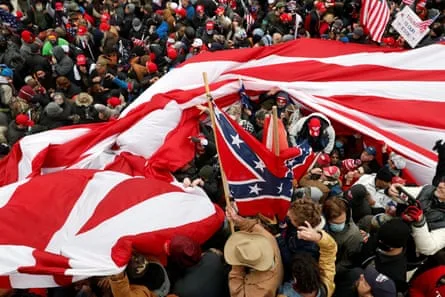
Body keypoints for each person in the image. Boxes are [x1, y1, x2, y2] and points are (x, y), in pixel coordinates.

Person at [225, 204, 284, 297]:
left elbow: (237, 294)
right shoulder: (267, 239)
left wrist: (237, 266)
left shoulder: (260, 290)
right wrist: (236, 219)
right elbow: (253, 226)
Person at [278, 220, 337, 297]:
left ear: (295, 279)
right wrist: (317, 237)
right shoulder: (327, 286)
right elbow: (329, 250)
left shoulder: (284, 294)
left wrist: (317, 237)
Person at [323, 197, 363, 296]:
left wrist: (327, 272)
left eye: (342, 222)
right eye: (335, 223)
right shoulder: (322, 224)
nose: (340, 225)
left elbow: (347, 262)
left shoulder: (353, 235)